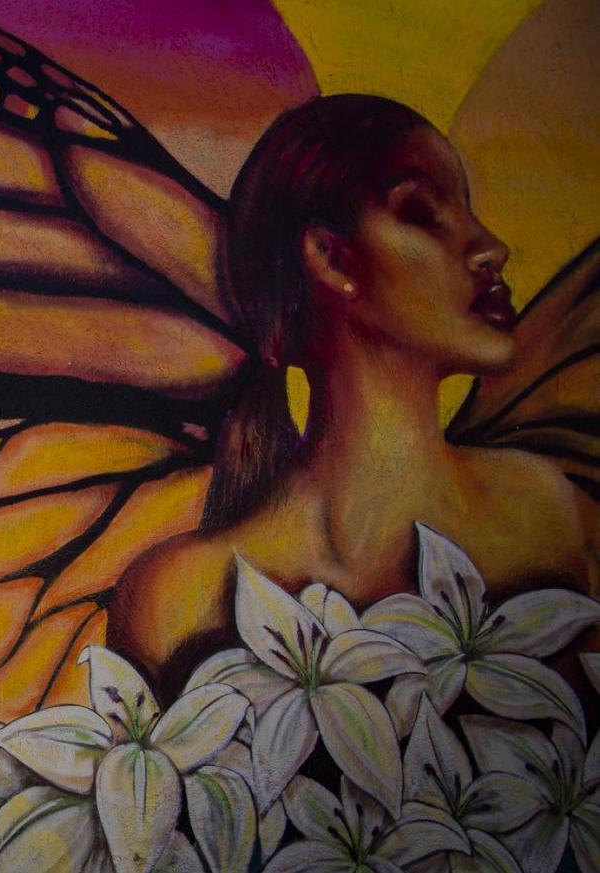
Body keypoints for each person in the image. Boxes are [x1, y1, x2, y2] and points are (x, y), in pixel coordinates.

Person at [107, 95, 596, 696]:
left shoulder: (538, 513)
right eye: (423, 212)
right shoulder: (178, 600)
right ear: (333, 258)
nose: (492, 246)